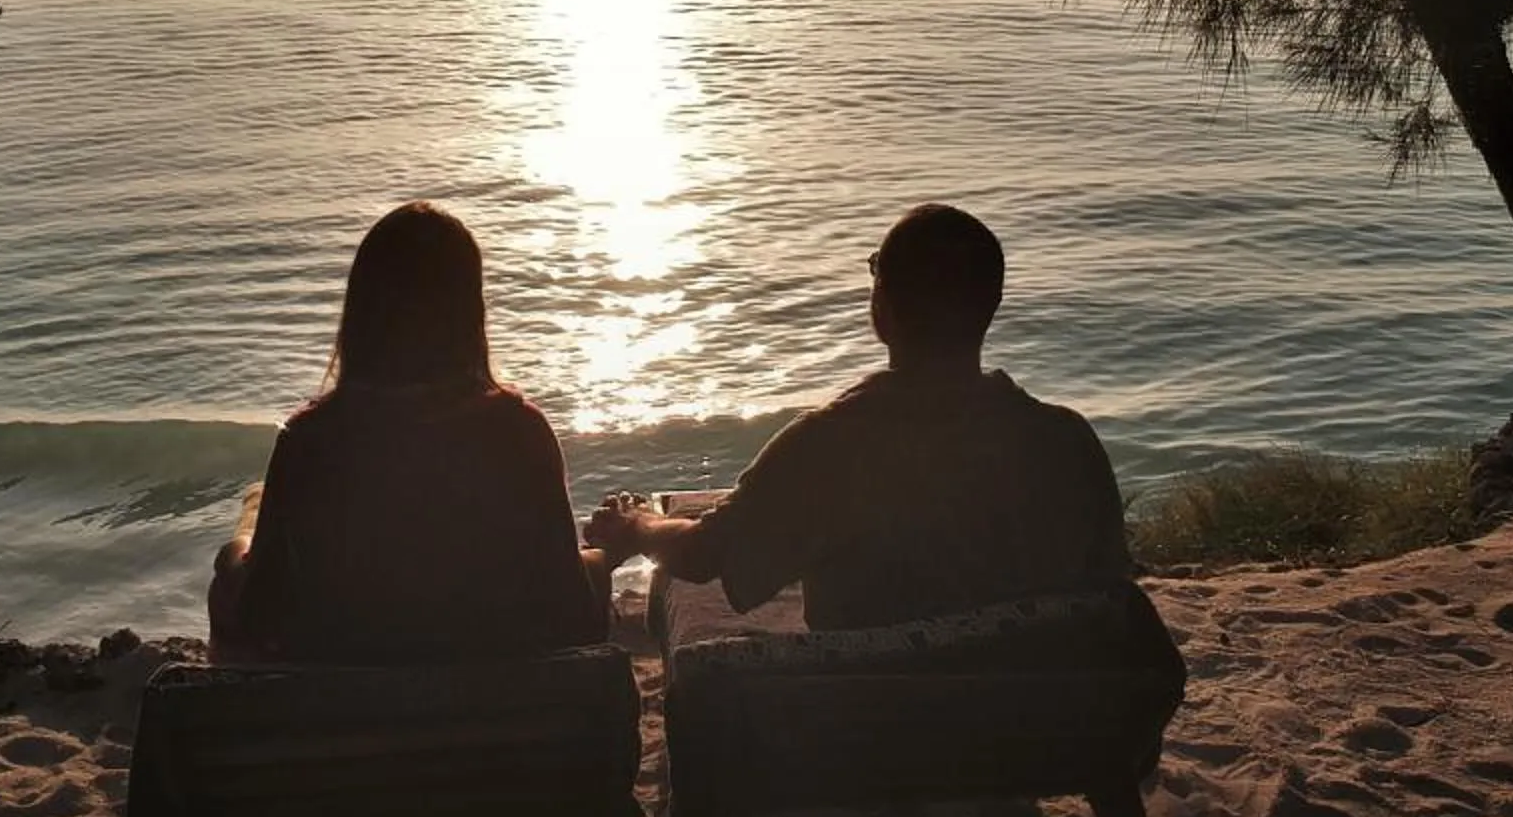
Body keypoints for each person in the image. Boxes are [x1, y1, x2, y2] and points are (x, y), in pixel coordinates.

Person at [585, 203, 1132, 629]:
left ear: (882, 310)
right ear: (992, 305)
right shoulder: (1065, 442)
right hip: (1034, 727)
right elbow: (1108, 588)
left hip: (876, 732)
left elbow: (705, 555)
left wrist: (637, 527)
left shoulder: (829, 446)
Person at [209, 201, 608, 663]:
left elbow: (260, 610)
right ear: (469, 311)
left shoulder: (310, 442)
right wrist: (604, 555)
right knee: (594, 571)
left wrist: (236, 552)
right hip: (499, 705)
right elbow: (571, 606)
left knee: (229, 567)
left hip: (343, 707)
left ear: (362, 312)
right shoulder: (520, 431)